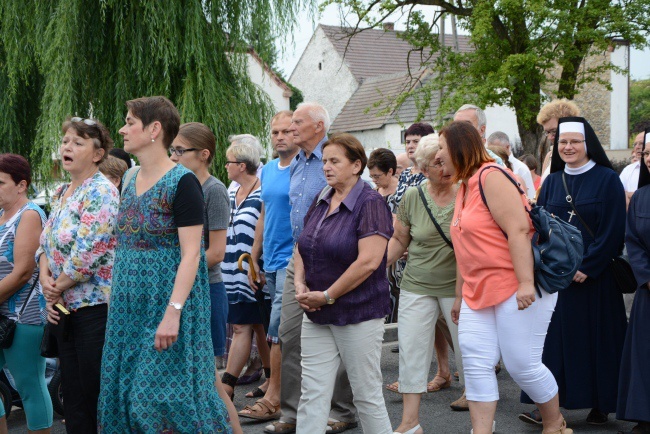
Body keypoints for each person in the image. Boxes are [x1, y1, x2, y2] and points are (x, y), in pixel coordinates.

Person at [98, 96, 237, 433]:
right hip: (129, 307)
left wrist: (173, 311)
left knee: (161, 400)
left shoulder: (182, 182)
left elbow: (192, 254)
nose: (123, 129)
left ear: (154, 129)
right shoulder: (129, 178)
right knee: (126, 394)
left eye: (130, 122)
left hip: (168, 304)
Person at [438, 120, 571, 434]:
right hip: (477, 291)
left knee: (521, 365)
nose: (437, 156)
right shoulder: (464, 185)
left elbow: (519, 230)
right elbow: (465, 249)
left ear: (458, 148)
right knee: (474, 361)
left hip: (516, 285)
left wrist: (525, 282)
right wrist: (459, 295)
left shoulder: (491, 176)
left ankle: (555, 423)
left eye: (441, 148)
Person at [520, 116, 627, 427]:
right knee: (553, 343)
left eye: (574, 142)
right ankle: (547, 406)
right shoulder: (552, 182)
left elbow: (613, 230)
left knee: (597, 342)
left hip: (594, 280)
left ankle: (600, 404)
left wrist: (587, 267)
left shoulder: (608, 179)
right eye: (562, 142)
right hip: (557, 278)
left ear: (587, 144)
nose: (567, 147)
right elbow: (540, 227)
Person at [265, 102, 357, 434]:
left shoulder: (336, 158)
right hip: (297, 256)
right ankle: (291, 414)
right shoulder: (298, 163)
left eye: (297, 124)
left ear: (318, 126)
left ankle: (342, 410)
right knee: (289, 334)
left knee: (337, 332)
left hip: (333, 256)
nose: (290, 129)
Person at [294, 133, 393, 434]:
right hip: (316, 312)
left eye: (334, 161)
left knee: (366, 395)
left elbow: (369, 262)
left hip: (358, 313)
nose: (326, 167)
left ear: (356, 165)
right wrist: (299, 284)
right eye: (324, 161)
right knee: (312, 394)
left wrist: (327, 295)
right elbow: (302, 245)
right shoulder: (322, 198)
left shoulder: (371, 202)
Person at [38, 117, 119, 434]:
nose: (67, 147)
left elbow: (87, 254)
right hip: (63, 310)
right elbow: (44, 243)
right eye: (66, 141)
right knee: (71, 395)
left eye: (78, 142)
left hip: (93, 310)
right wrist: (45, 277)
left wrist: (53, 289)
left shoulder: (102, 192)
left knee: (94, 393)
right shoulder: (60, 191)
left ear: (98, 154)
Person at [386, 138, 464, 434]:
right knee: (412, 350)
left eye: (447, 161)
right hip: (417, 283)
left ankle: (481, 421)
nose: (445, 168)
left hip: (458, 287)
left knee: (468, 352)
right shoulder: (413, 197)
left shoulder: (467, 194)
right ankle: (409, 423)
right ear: (422, 168)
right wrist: (376, 266)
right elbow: (399, 239)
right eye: (437, 163)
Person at [238, 110, 299, 420]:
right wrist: (253, 256)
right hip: (270, 261)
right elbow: (264, 214)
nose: (279, 137)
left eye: (286, 131)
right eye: (274, 132)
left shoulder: (306, 169)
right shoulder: (271, 170)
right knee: (280, 329)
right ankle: (285, 392)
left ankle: (275, 396)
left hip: (294, 261)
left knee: (277, 329)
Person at [168, 122, 230, 365]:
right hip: (180, 286)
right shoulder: (177, 186)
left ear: (203, 155)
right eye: (171, 150)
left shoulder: (214, 190)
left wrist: (177, 270)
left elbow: (216, 252)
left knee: (207, 372)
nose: (173, 157)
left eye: (180, 151)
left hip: (206, 287)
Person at [0, 154, 52, 434]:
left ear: (21, 185)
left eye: (0, 182)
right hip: (2, 312)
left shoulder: (30, 214)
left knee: (30, 385)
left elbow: (22, 272)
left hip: (25, 315)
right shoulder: (1, 215)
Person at [219, 134, 271, 402]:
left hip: (253, 272)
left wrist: (258, 267)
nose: (225, 166)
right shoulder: (231, 191)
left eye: (228, 162)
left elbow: (264, 233)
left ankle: (227, 385)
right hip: (231, 271)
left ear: (241, 165)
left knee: (243, 326)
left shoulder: (263, 192)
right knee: (258, 325)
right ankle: (271, 379)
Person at [617, 127, 650, 434]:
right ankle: (645, 415)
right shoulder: (640, 198)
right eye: (648, 154)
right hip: (649, 291)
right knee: (644, 355)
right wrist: (647, 277)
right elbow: (633, 241)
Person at [367, 148, 399, 323]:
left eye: (377, 176)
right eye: (372, 176)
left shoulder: (404, 193)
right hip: (377, 253)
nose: (374, 180)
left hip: (397, 257)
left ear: (390, 172)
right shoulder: (373, 193)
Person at [535, 99, 581, 184]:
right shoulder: (549, 156)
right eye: (547, 132)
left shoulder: (581, 156)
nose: (550, 137)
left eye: (554, 131)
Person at [487, 131, 535, 199]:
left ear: (508, 147)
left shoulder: (521, 168)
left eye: (498, 149)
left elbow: (530, 197)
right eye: (490, 150)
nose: (493, 154)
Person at [619, 132, 645, 207]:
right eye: (635, 144)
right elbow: (619, 193)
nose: (637, 147)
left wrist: (630, 194)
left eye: (641, 143)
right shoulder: (628, 170)